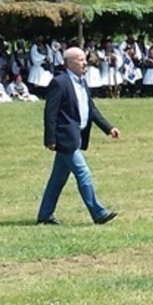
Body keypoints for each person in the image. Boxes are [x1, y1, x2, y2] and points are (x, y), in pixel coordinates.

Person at [37, 47, 122, 226]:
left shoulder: (83, 82)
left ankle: (45, 215)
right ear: (69, 63)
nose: (85, 63)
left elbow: (91, 110)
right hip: (65, 138)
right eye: (81, 60)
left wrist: (108, 128)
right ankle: (98, 212)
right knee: (83, 173)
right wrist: (50, 139)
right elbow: (50, 113)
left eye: (85, 59)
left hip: (77, 136)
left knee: (57, 179)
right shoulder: (59, 82)